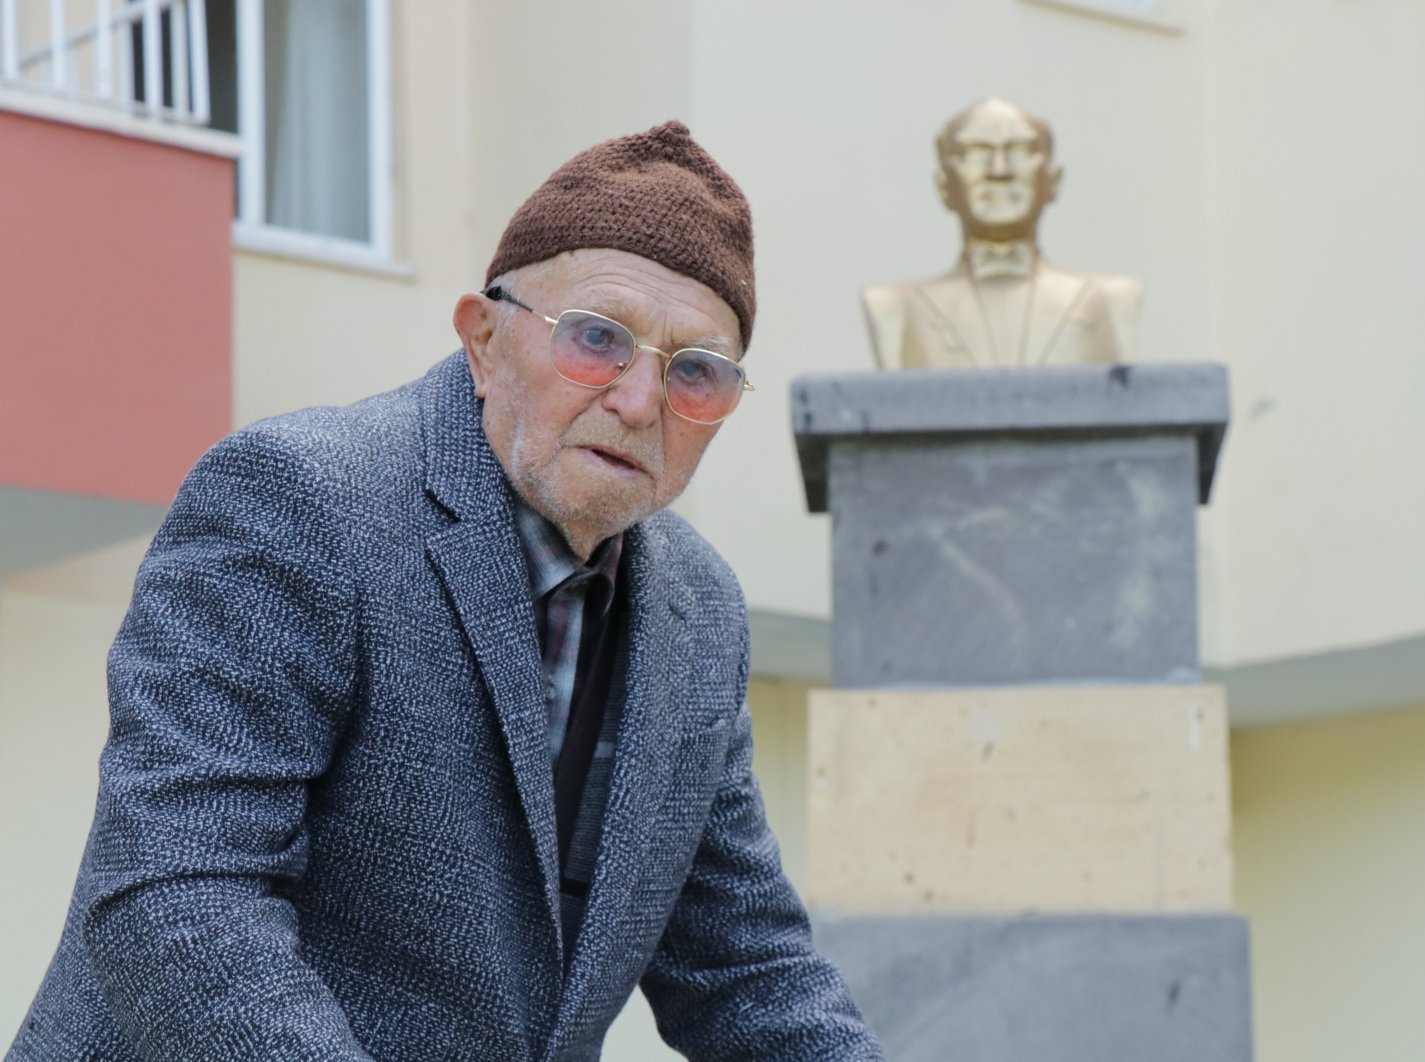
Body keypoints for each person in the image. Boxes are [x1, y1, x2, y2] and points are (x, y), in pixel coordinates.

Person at [8, 121, 882, 1061]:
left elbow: (750, 974)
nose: (639, 400)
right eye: (598, 339)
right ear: (482, 338)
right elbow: (177, 891)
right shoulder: (298, 498)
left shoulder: (699, 613)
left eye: (696, 373)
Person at [862, 96, 1142, 370]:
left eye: (1020, 151)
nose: (999, 170)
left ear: (1053, 181)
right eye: (976, 152)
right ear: (944, 187)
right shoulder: (894, 308)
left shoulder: (1109, 301)